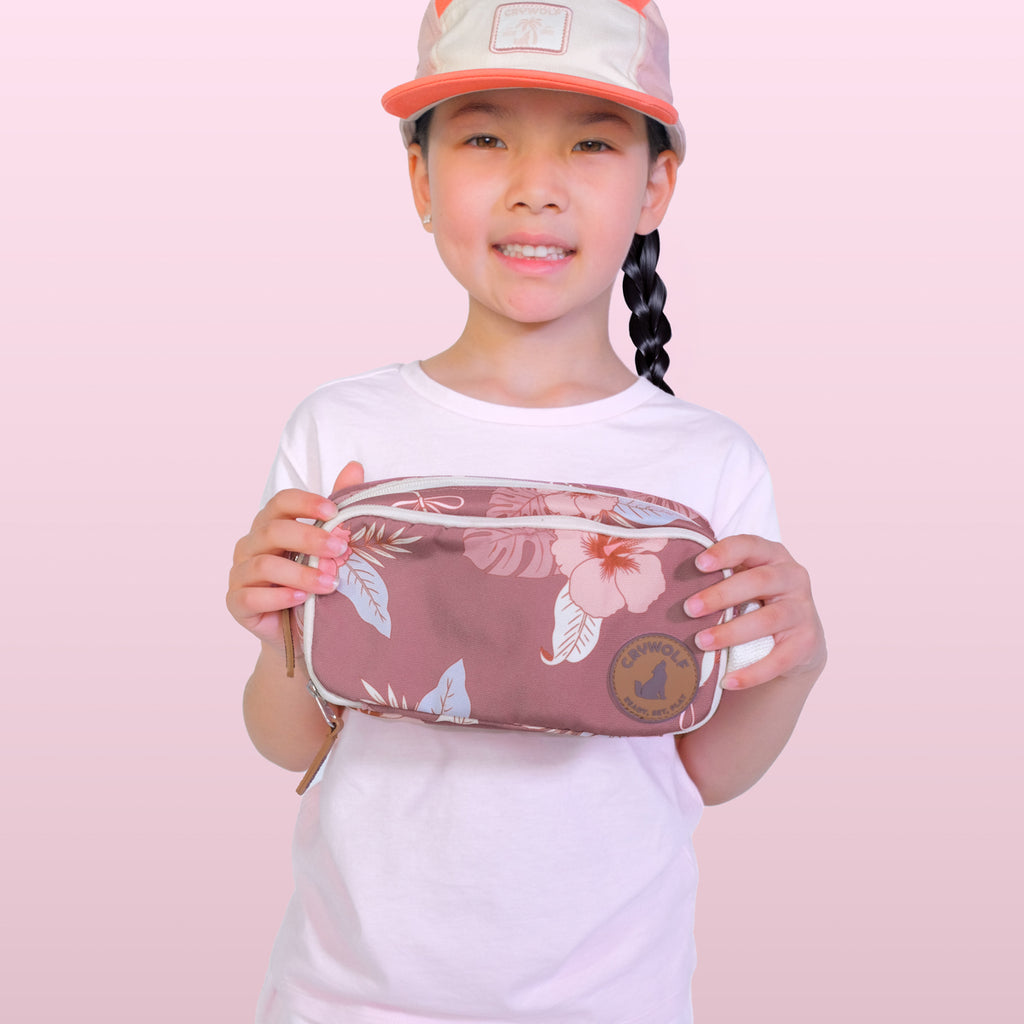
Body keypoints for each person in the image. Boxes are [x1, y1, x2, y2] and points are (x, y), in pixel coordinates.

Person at [226, 1, 827, 1021]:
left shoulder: (708, 461)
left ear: (656, 184)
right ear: (420, 178)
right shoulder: (341, 428)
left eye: (590, 142)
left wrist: (798, 662)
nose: (533, 187)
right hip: (346, 997)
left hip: (611, 1000)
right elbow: (291, 741)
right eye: (484, 136)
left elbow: (705, 771)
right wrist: (276, 623)